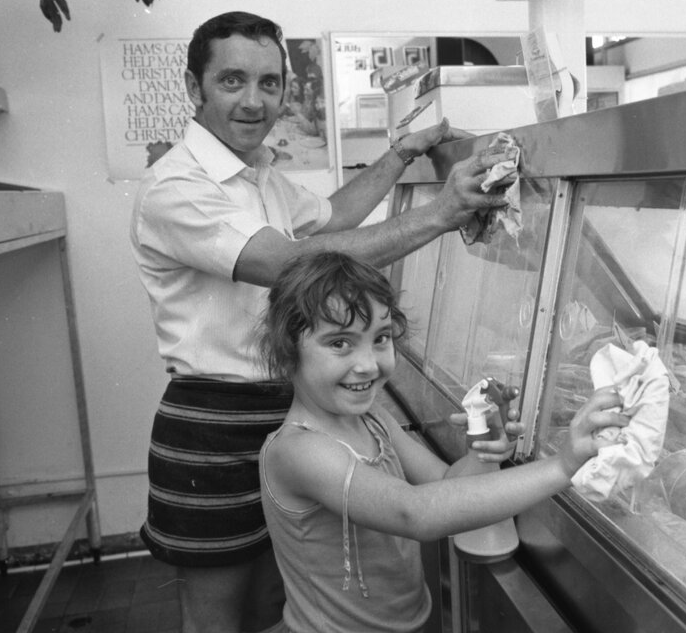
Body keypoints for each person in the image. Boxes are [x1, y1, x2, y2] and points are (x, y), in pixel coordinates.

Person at [129, 10, 519, 633]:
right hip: (216, 423)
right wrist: (443, 212)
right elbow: (287, 262)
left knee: (276, 603)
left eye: (270, 83)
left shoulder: (262, 177)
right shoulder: (174, 187)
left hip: (292, 407)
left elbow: (331, 219)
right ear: (192, 87)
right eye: (232, 81)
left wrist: (399, 155)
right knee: (219, 618)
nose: (254, 101)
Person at [258, 251, 629, 633]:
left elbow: (445, 483)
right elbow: (414, 512)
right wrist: (562, 466)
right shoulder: (298, 450)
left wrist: (482, 446)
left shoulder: (372, 420)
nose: (368, 364)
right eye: (340, 343)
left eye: (381, 338)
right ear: (287, 353)